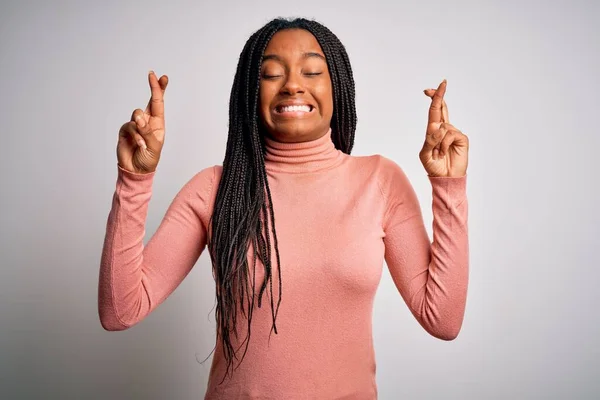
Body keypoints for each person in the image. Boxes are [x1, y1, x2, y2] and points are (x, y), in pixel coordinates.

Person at [98, 17, 470, 399]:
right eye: (271, 74)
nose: (293, 84)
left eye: (311, 70)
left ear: (337, 86)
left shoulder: (380, 180)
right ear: (248, 92)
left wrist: (449, 187)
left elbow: (442, 319)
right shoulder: (214, 189)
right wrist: (134, 179)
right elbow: (120, 311)